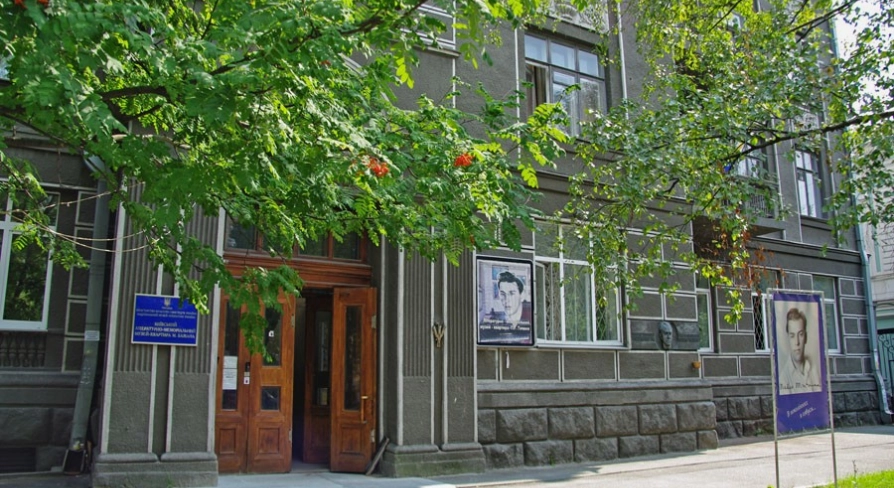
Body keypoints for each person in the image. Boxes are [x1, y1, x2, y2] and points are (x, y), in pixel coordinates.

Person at [778, 307, 821, 394]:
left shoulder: (815, 369)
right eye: (792, 336)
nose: (797, 342)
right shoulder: (783, 379)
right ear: (788, 339)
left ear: (806, 337)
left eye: (800, 334)